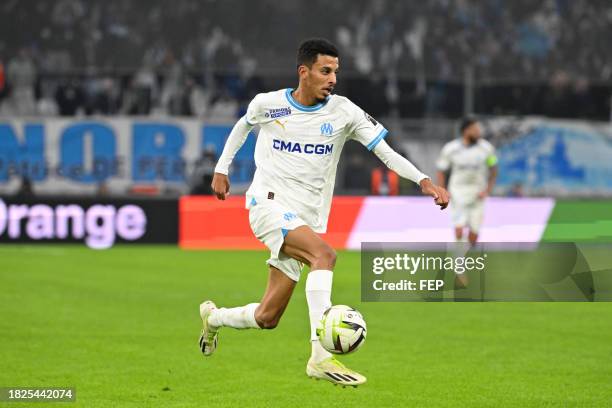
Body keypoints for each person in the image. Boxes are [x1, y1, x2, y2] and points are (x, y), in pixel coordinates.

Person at [200, 38, 449, 387]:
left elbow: (386, 153)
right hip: (267, 204)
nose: (333, 78)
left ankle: (213, 318)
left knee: (268, 316)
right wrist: (222, 168)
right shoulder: (269, 104)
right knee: (324, 255)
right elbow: (244, 125)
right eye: (325, 71)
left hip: (303, 218)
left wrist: (423, 180)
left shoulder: (344, 112)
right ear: (305, 72)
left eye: (336, 72)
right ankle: (320, 355)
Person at [436, 117, 498, 246]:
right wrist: (443, 191)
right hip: (457, 193)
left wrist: (488, 190)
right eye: (475, 129)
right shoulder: (451, 149)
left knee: (474, 235)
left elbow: (493, 168)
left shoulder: (487, 149)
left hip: (477, 193)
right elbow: (441, 170)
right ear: (466, 131)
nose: (478, 132)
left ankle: (465, 255)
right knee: (458, 230)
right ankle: (459, 261)